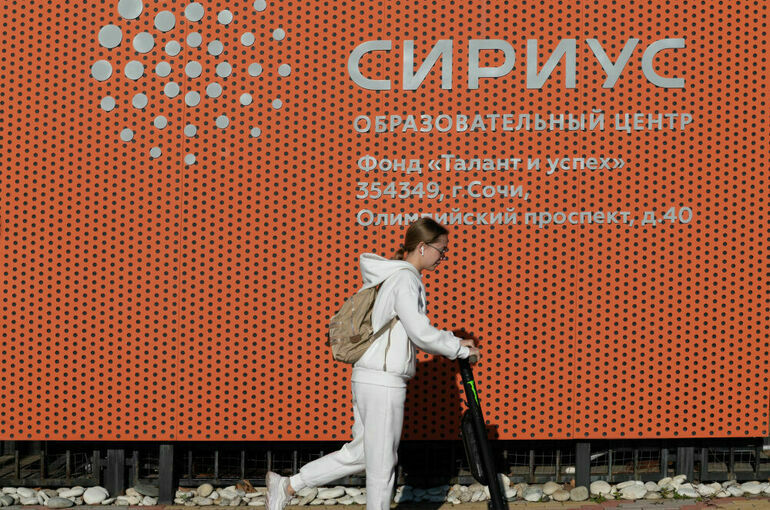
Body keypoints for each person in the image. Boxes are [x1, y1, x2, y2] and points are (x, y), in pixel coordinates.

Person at [265, 218, 481, 510]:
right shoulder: (406, 279)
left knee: (362, 454)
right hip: (384, 381)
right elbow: (419, 332)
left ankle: (288, 486)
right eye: (441, 250)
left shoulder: (392, 276)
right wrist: (458, 349)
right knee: (382, 464)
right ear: (422, 246)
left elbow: (410, 330)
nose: (443, 257)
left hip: (368, 376)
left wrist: (453, 341)